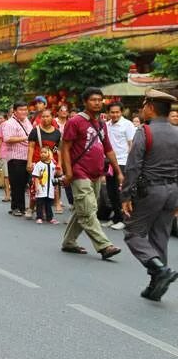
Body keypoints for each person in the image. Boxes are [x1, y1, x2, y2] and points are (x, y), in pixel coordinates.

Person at [121, 90, 178, 301]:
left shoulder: (145, 131)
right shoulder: (176, 132)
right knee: (160, 236)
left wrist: (125, 195)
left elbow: (133, 166)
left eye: (144, 105)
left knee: (133, 233)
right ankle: (156, 285)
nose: (142, 109)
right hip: (172, 190)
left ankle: (159, 270)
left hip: (151, 191)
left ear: (151, 107)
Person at [59, 88, 123, 259]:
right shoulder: (75, 121)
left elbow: (108, 149)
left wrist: (118, 172)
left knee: (83, 209)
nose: (97, 103)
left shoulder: (102, 123)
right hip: (79, 172)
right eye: (93, 100)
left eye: (100, 100)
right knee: (88, 210)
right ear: (85, 102)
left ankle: (69, 242)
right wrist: (68, 172)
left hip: (96, 173)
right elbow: (64, 148)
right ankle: (104, 245)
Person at [103, 103, 136, 230]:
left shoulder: (127, 125)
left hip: (123, 162)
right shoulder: (106, 125)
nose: (115, 114)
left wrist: (131, 163)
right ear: (108, 112)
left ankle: (125, 219)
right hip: (109, 162)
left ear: (121, 112)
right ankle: (116, 217)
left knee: (122, 192)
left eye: (117, 112)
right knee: (111, 192)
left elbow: (131, 144)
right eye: (112, 112)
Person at [0, 102, 33, 217]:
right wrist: (26, 138)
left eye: (25, 109)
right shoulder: (9, 123)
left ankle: (21, 207)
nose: (24, 112)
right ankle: (15, 207)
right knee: (16, 183)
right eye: (21, 110)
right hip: (15, 157)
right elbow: (8, 138)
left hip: (27, 156)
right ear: (14, 111)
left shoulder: (27, 121)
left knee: (23, 183)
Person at [26, 109, 62, 216]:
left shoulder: (57, 133)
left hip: (51, 164)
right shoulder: (35, 131)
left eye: (47, 116)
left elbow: (58, 150)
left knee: (51, 185)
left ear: (52, 117)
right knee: (35, 185)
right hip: (37, 163)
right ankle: (31, 208)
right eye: (43, 117)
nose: (45, 119)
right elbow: (31, 147)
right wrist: (29, 162)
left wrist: (59, 164)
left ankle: (49, 207)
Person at [31, 147, 58, 225]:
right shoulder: (38, 164)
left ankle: (50, 217)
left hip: (50, 187)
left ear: (49, 154)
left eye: (45, 152)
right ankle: (39, 217)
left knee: (49, 203)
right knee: (40, 203)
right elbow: (36, 177)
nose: (42, 154)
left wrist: (55, 187)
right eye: (41, 152)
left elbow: (56, 174)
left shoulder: (53, 164)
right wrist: (36, 187)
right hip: (41, 187)